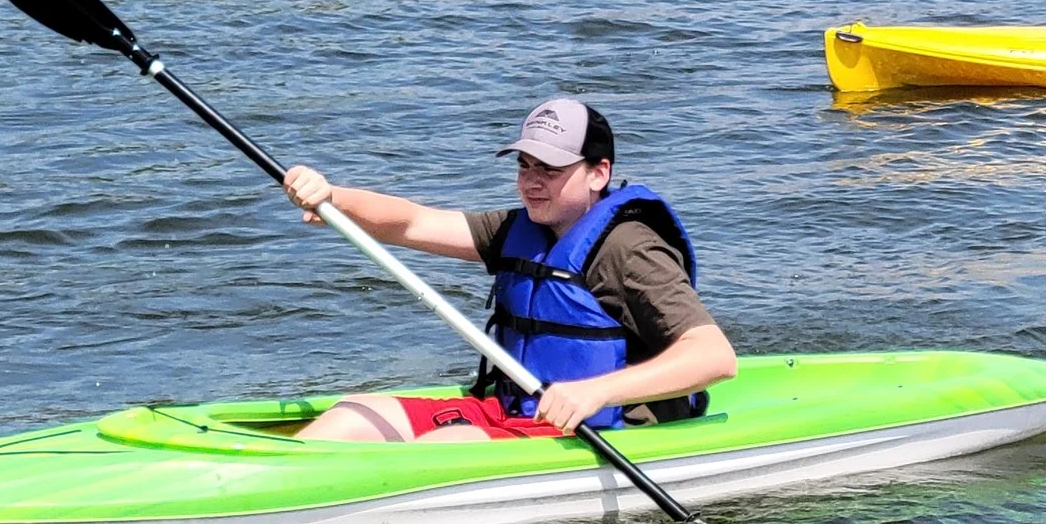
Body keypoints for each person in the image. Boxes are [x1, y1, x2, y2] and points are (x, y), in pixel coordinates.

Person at [278, 98, 737, 443]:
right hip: (516, 412)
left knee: (445, 446)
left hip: (602, 431)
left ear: (598, 174)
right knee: (353, 413)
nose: (532, 181)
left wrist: (596, 392)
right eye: (524, 165)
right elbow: (413, 222)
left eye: (551, 169)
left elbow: (714, 357)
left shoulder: (629, 250)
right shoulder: (518, 228)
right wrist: (334, 198)